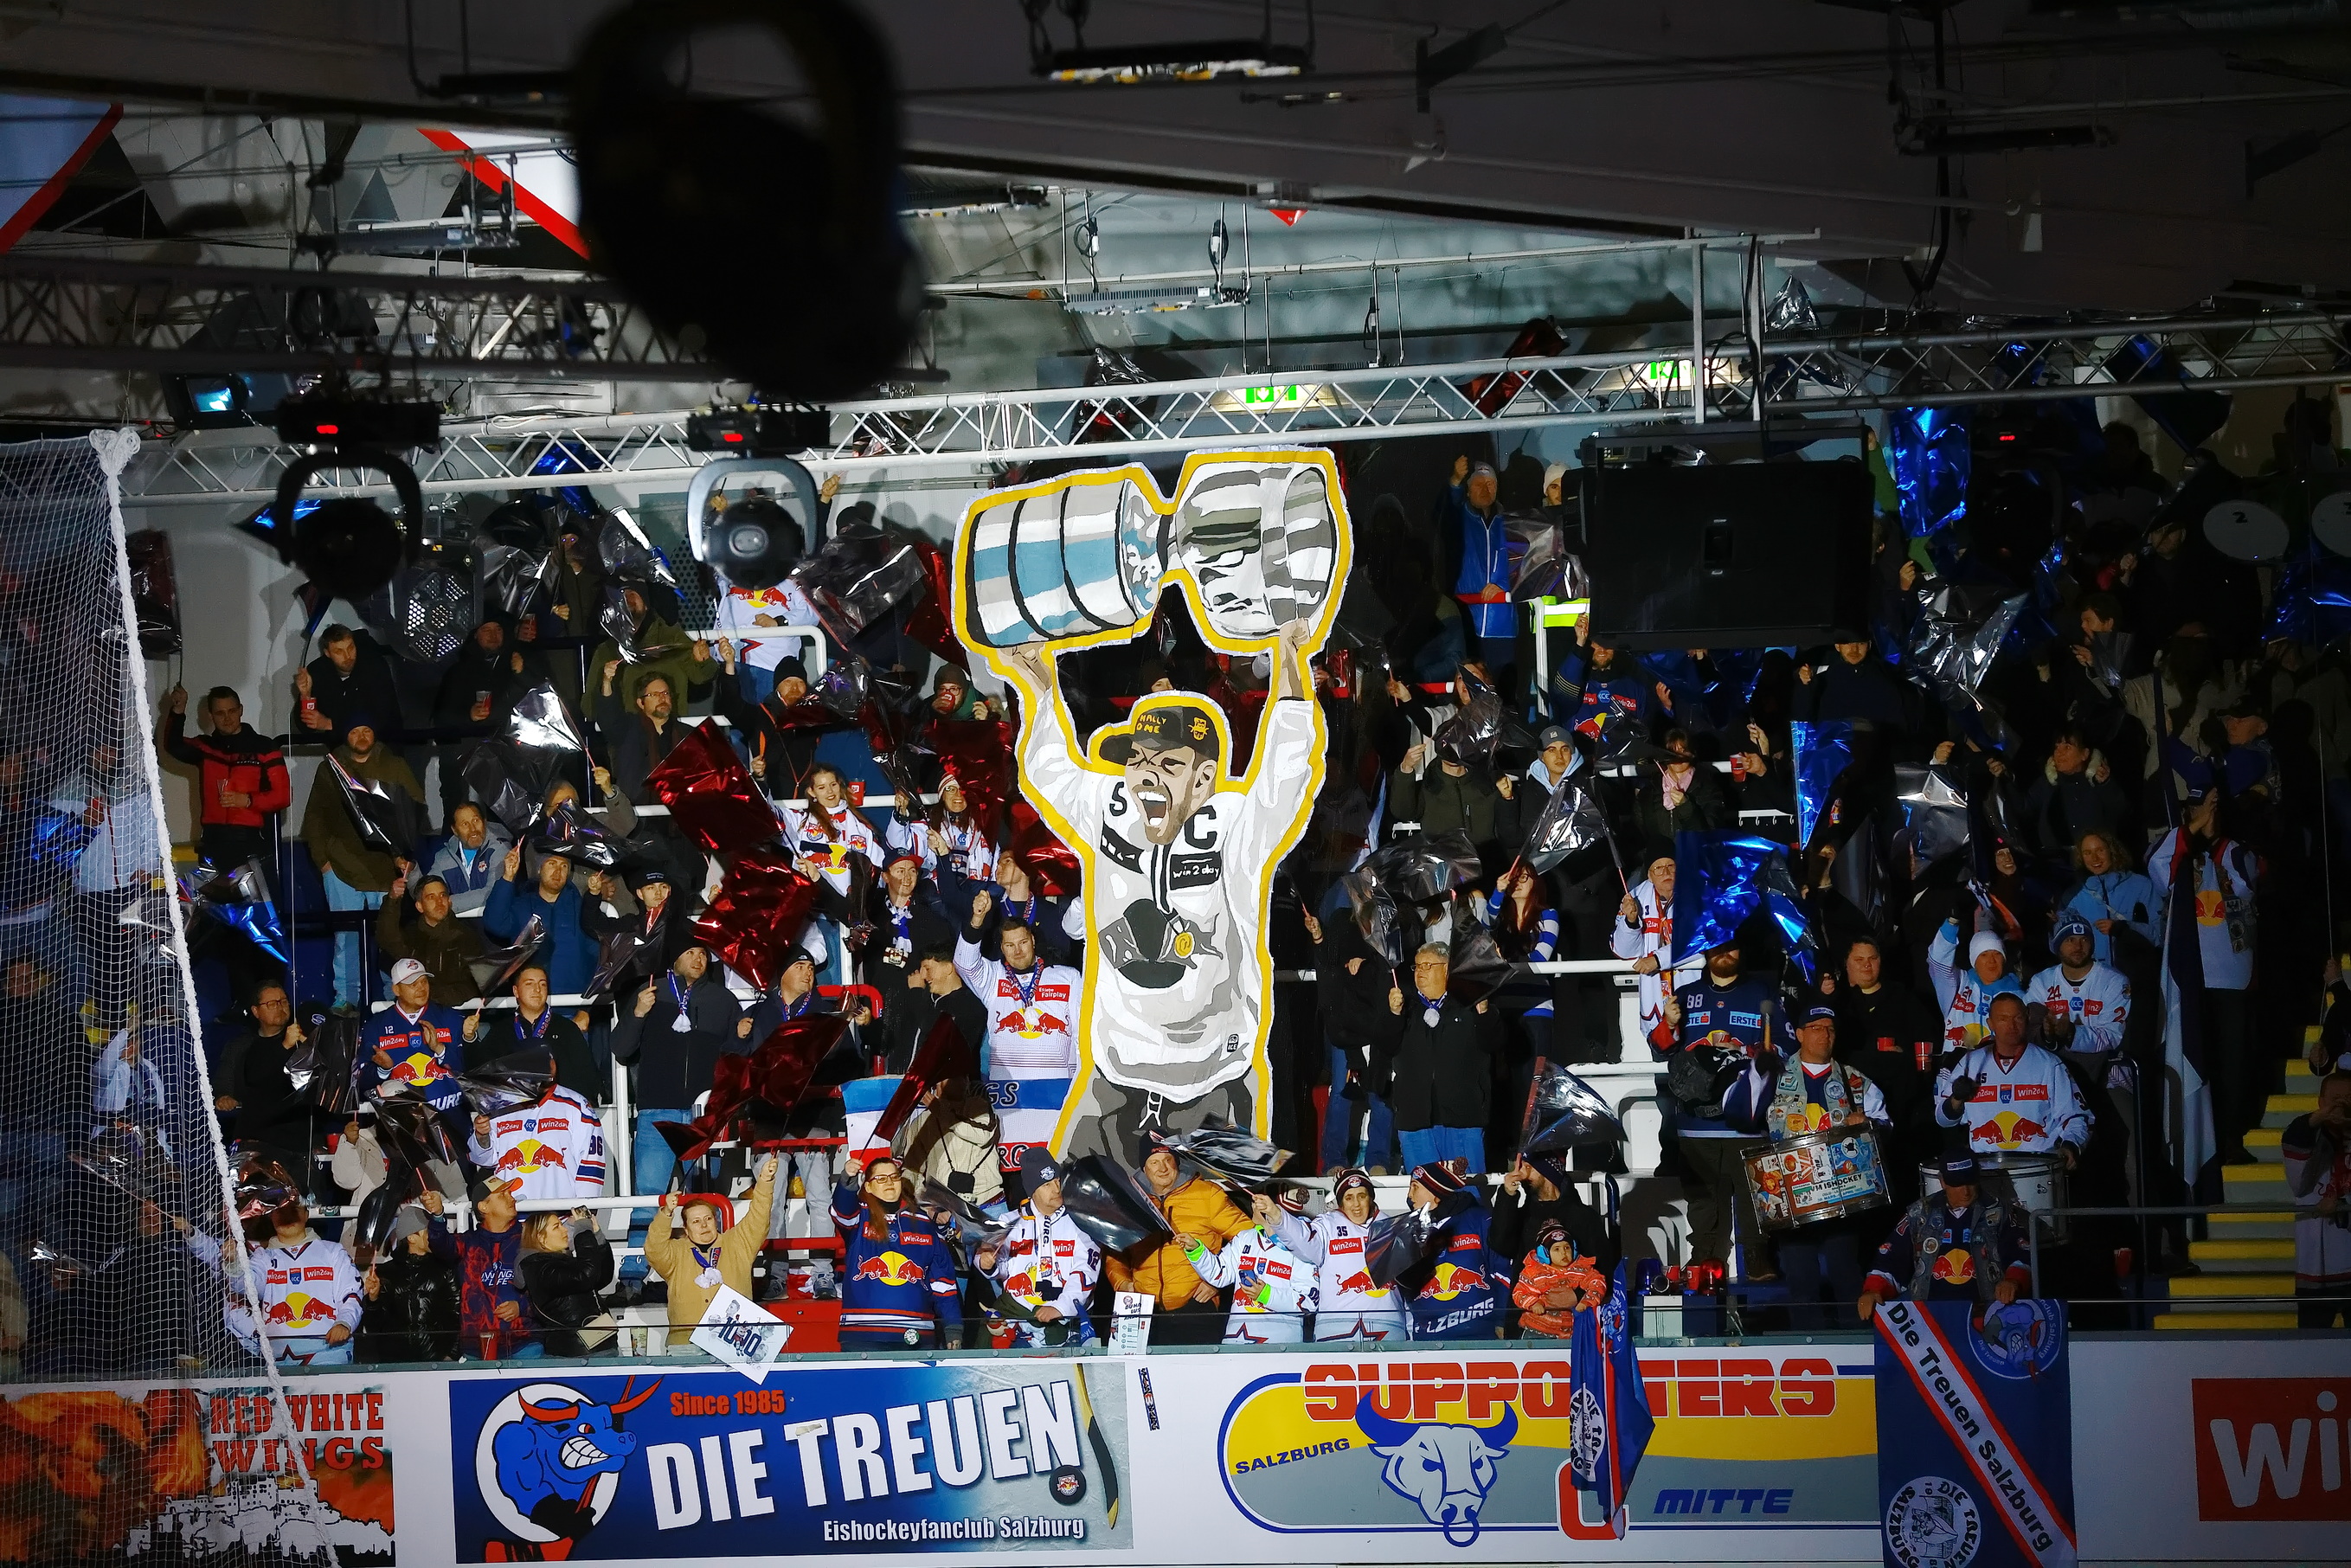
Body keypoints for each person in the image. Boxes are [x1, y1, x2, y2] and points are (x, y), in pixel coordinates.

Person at [999, 620, 1321, 1160]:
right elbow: (1050, 770)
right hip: (1116, 1079)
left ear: (1203, 779)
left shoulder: (1235, 824)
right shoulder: (1111, 809)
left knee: (1232, 1212)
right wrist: (1041, 686)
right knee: (1069, 1203)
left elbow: (1284, 776)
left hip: (1215, 1080)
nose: (1146, 776)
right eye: (1139, 760)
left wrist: (1290, 662)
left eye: (1168, 764)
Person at [1724, 1001, 1892, 1328]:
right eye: (1816, 1029)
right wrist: (1757, 1072)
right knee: (1800, 1278)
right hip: (1791, 1198)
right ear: (1799, 1034)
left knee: (1846, 1272)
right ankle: (1808, 1343)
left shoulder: (1855, 1081)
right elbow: (1736, 1112)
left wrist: (1868, 1124)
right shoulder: (1775, 1075)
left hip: (1843, 1195)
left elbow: (1886, 1124)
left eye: (1830, 1029)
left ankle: (1855, 1342)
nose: (1825, 1035)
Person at [613, 942, 746, 1295]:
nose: (698, 959)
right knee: (649, 1198)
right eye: (689, 952)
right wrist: (638, 1013)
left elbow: (736, 1058)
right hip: (657, 1112)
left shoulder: (723, 1000)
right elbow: (621, 1049)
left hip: (705, 1115)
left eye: (703, 953)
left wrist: (741, 1037)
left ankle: (712, 1276)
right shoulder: (650, 993)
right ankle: (632, 1277)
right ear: (674, 958)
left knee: (704, 1201)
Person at [2149, 787, 2264, 1160]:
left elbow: (2246, 883)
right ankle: (2195, 1140)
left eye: (2209, 808)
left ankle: (2230, 1137)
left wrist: (2213, 837)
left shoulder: (2238, 851)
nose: (2204, 814)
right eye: (2196, 808)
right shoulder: (2177, 851)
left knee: (2232, 1063)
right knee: (2194, 1060)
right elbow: (2157, 868)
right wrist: (2194, 828)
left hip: (2231, 979)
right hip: (2188, 978)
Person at [1654, 938, 1780, 1273]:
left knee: (1757, 1196)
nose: (1724, 953)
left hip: (1747, 1121)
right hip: (1695, 1123)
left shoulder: (1763, 992)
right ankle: (1704, 1261)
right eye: (1717, 947)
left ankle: (1756, 1257)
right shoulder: (1685, 995)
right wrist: (1669, 1024)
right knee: (1702, 1201)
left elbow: (1785, 1044)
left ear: (1742, 950)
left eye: (1732, 946)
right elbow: (1661, 1050)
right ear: (1706, 951)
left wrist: (1757, 1054)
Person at [299, 715, 421, 1007]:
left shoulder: (394, 765)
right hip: (340, 867)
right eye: (355, 731)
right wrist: (324, 863)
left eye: (367, 730)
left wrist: (404, 855)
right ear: (346, 736)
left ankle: (395, 999)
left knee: (391, 938)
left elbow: (415, 811)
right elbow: (315, 818)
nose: (362, 737)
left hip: (386, 868)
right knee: (346, 939)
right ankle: (347, 1001)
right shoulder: (331, 767)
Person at [1830, 938, 1943, 1215]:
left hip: (1903, 1113)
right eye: (1859, 960)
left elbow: (1927, 1049)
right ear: (1846, 965)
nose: (1867, 965)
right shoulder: (1838, 1004)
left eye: (1873, 958)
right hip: (1853, 1112)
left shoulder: (1904, 999)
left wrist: (1904, 1056)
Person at [1108, 1137, 1250, 1345]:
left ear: (1177, 1162)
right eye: (1154, 1162)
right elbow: (1113, 1248)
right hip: (1140, 1310)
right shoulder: (1129, 1199)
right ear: (1144, 1168)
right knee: (1139, 1367)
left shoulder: (1207, 1194)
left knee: (1198, 1366)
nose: (1162, 1168)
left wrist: (1217, 1279)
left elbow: (1249, 1241)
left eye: (1168, 1160)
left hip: (1196, 1307)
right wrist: (1122, 1283)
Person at [1858, 1154, 2031, 1315]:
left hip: (1986, 1313)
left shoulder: (1999, 1212)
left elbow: (2021, 1254)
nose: (1965, 1191)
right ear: (1943, 1182)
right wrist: (1873, 1290)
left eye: (1970, 1182)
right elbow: (1891, 1259)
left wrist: (2013, 1281)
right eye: (1957, 1184)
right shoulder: (1920, 1213)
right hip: (1930, 1317)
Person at [1934, 993, 2092, 1164]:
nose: (2011, 1026)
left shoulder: (2049, 1064)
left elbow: (2077, 1117)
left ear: (2027, 1019)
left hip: (2038, 1167)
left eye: (2017, 1018)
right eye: (2003, 1019)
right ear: (1990, 1024)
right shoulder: (1970, 1063)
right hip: (1985, 1167)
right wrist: (1957, 1099)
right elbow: (1942, 1120)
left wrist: (2070, 1146)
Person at [1301, 905, 1402, 1173]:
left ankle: (1379, 1160)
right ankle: (1334, 1160)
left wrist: (1366, 961)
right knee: (1340, 1094)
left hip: (1378, 1022)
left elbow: (1394, 958)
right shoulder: (1340, 917)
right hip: (1346, 1027)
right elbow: (1329, 962)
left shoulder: (1388, 915)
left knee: (1381, 1093)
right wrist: (1318, 936)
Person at [829, 1154, 964, 1347]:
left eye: (894, 1177)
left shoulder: (924, 1223)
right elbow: (842, 1211)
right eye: (881, 1178)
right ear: (868, 1186)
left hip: (917, 1334)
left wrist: (953, 1328)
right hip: (863, 1335)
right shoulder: (860, 1217)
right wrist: (847, 1179)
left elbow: (943, 1282)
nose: (889, 1182)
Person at [1382, 943, 1494, 1174]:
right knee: (1425, 1192)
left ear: (1446, 969)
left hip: (1463, 1119)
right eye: (1417, 966)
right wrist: (1393, 1015)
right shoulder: (1405, 1007)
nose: (1420, 971)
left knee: (1467, 1190)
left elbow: (1495, 1042)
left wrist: (1485, 1013)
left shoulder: (1470, 1004)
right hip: (1415, 1120)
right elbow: (1386, 1046)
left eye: (1428, 965)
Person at [645, 1154, 777, 1347]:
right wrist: (666, 1214)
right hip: (686, 1344)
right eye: (696, 1221)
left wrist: (764, 1181)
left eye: (708, 1219)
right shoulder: (676, 1252)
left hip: (733, 1347)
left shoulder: (737, 1243)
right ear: (686, 1228)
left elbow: (759, 1217)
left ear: (716, 1221)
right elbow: (653, 1248)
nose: (703, 1225)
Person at [972, 1147, 1100, 1347]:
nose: (1056, 1189)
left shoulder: (1080, 1221)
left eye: (1058, 1181)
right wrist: (987, 1263)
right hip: (1018, 1322)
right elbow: (998, 1264)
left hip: (1066, 1322)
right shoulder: (1009, 1221)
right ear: (1032, 1190)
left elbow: (1086, 1272)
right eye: (1047, 1184)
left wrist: (1060, 1307)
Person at [1270, 1167, 1410, 1341]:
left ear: (1371, 1198)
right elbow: (1304, 1241)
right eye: (1349, 1198)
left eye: (1362, 1196)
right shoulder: (1327, 1225)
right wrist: (1277, 1216)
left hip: (1388, 1329)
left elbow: (1409, 1285)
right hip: (1335, 1331)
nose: (1356, 1204)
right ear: (1341, 1202)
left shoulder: (1393, 1226)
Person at [159, 684, 290, 870]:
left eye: (232, 711)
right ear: (211, 716)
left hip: (253, 841)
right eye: (220, 713)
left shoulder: (265, 747)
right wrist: (178, 711)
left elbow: (284, 796)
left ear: (241, 710)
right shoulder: (206, 747)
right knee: (211, 890)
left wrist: (248, 800)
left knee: (255, 890)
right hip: (213, 840)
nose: (227, 718)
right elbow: (173, 746)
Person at [954, 896, 1080, 1081]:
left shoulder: (1068, 977)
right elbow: (963, 963)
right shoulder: (994, 977)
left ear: (1033, 940)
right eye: (1010, 945)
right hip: (1006, 1090)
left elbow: (1080, 1033)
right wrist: (977, 919)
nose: (1018, 951)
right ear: (1002, 948)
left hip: (1057, 1087)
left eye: (1023, 942)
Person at [1178, 1189, 1320, 1345]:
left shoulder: (1302, 1248)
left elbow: (1308, 1302)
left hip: (1278, 1346)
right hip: (1235, 1342)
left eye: (1257, 1202)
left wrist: (1266, 1295)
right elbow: (1219, 1274)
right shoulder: (1245, 1238)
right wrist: (1196, 1250)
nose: (1252, 1206)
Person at [1401, 1160, 1512, 1340]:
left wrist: (1502, 1320)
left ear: (1435, 1192)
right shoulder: (1408, 1230)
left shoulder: (1479, 1220)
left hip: (1481, 1338)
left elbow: (1502, 1273)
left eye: (1415, 1187)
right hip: (1428, 1342)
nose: (1409, 1195)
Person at [218, 983, 317, 1185]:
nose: (280, 1007)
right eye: (272, 1003)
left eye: (284, 1001)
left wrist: (309, 1046)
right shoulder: (242, 1046)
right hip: (258, 1142)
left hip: (298, 1143)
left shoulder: (303, 1041)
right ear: (256, 1011)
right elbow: (252, 1079)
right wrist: (223, 1096)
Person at [466, 1065, 607, 1203]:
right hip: (511, 1213)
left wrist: (583, 1209)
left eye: (549, 1059)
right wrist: (482, 1136)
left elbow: (591, 1162)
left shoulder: (576, 1104)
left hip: (560, 1215)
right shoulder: (499, 1105)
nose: (545, 1065)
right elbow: (483, 1159)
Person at [464, 965, 599, 1104]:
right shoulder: (502, 1030)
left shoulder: (567, 1028)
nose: (537, 989)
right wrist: (470, 1038)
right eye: (529, 984)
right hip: (515, 1111)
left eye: (543, 984)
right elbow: (481, 1073)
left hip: (557, 1111)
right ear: (516, 991)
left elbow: (586, 1078)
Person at [360, 959, 467, 1132]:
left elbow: (467, 1071)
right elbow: (362, 1083)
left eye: (424, 981)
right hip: (406, 1131)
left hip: (452, 1123)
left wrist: (440, 1049)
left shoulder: (450, 1017)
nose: (421, 988)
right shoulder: (376, 1027)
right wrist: (383, 1069)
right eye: (412, 984)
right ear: (396, 990)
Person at [254, 1201, 363, 1368]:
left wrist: (344, 1322)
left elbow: (351, 1295)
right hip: (278, 1364)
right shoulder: (262, 1257)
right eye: (280, 1212)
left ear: (306, 1214)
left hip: (330, 1357)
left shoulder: (333, 1252)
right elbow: (245, 1287)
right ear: (271, 1216)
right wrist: (232, 1263)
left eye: (293, 1210)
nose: (287, 1217)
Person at [2281, 1070, 2351, 1329]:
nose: (2342, 1104)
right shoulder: (2308, 1134)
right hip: (2316, 1268)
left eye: (2349, 1098)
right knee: (2311, 1344)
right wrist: (2324, 1117)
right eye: (2335, 1098)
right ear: (2321, 1102)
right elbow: (2295, 1137)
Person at [482, 845, 598, 999]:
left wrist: (587, 1008)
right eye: (552, 864)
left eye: (564, 866)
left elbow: (598, 957)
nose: (558, 872)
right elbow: (494, 924)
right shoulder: (522, 905)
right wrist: (508, 878)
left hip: (574, 1003)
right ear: (539, 869)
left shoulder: (582, 908)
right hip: (532, 1003)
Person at [357, 1192, 459, 1364]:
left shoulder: (444, 1269)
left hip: (437, 1361)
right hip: (396, 1363)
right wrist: (373, 1300)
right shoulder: (385, 1273)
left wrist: (451, 1356)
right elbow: (375, 1326)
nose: (434, 1235)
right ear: (411, 1237)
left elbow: (456, 1314)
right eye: (428, 1231)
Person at [1443, 456, 1519, 684]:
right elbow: (1445, 511)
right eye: (1478, 484)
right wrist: (1455, 481)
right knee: (1470, 689)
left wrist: (1503, 585)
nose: (1485, 489)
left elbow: (1522, 561)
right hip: (1468, 623)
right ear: (1467, 491)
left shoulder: (1511, 522)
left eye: (1490, 484)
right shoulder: (1459, 520)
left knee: (1503, 689)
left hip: (1502, 626)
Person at [452, 1176, 539, 1359]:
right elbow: (439, 1244)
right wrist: (437, 1217)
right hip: (476, 1347)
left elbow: (549, 1289)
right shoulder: (467, 1242)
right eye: (503, 1195)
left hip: (524, 1344)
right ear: (484, 1207)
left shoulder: (530, 1239)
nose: (512, 1198)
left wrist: (522, 1306)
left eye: (510, 1193)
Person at [374, 868, 485, 1008]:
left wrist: (431, 997)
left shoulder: (467, 937)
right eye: (431, 897)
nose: (439, 902)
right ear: (419, 906)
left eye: (442, 895)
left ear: (449, 901)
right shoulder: (410, 936)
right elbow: (386, 937)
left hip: (456, 1013)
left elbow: (473, 985)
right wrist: (392, 900)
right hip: (415, 1012)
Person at [1611, 851, 1690, 1047]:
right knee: (1662, 1057)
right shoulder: (1635, 896)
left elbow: (1701, 941)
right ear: (1649, 875)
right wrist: (1631, 922)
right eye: (1658, 868)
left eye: (1671, 866)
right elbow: (1624, 951)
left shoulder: (1697, 895)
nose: (1666, 873)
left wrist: (1658, 959)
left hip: (1692, 994)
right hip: (1655, 999)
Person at [1491, 1154, 1617, 1276]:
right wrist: (1507, 1196)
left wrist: (1574, 1291)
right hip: (1527, 1290)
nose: (1522, 1174)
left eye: (1528, 1167)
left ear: (1548, 1173)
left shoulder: (1584, 1217)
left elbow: (1602, 1268)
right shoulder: (1523, 1216)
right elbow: (1500, 1246)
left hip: (1577, 1290)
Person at [876, 941, 986, 1078]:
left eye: (928, 969)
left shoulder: (970, 1004)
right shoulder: (924, 999)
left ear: (948, 968)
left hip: (948, 1085)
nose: (923, 976)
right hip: (905, 1083)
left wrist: (916, 993)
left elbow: (940, 1031)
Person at [518, 1207, 617, 1358]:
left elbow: (602, 1277)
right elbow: (586, 1276)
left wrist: (597, 1236)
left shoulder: (562, 1261)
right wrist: (582, 1230)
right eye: (556, 1227)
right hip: (575, 1354)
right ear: (541, 1238)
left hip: (597, 1347)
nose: (565, 1230)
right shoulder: (540, 1269)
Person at [895, 1076, 1004, 1211]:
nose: (961, 1079)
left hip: (987, 1204)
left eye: (962, 1075)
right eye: (951, 1076)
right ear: (937, 1083)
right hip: (943, 1208)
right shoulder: (922, 1121)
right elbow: (912, 1170)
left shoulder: (980, 1107)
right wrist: (927, 1207)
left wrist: (939, 1110)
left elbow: (982, 1136)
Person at [2057, 829, 2160, 968]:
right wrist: (2053, 926)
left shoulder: (2142, 885)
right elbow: (2059, 947)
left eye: (2100, 850)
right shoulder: (2073, 895)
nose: (2095, 858)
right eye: (2087, 853)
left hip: (2137, 972)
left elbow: (2161, 935)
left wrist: (2124, 928)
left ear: (2112, 850)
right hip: (2096, 976)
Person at [291, 625, 403, 745]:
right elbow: (305, 729)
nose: (348, 656)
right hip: (341, 750)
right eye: (339, 651)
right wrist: (306, 696)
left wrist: (330, 724)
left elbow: (382, 718)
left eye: (350, 648)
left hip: (382, 746)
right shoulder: (317, 671)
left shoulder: (374, 666)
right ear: (327, 653)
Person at [1928, 921, 2027, 1054]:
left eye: (1997, 954)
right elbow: (1938, 962)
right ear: (1974, 960)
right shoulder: (1959, 983)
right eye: (1984, 955)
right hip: (1955, 1065)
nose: (1992, 961)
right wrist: (1951, 924)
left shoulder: (2020, 997)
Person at [864, 851, 951, 990]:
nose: (907, 877)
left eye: (912, 871)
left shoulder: (930, 919)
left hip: (917, 992)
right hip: (877, 994)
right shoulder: (870, 914)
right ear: (885, 877)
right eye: (900, 871)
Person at [1510, 1218, 1608, 1339]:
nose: (1563, 1253)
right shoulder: (1533, 1272)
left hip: (1573, 1332)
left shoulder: (1581, 1269)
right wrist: (1534, 1303)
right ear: (1544, 1253)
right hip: (1537, 1331)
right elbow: (1519, 1292)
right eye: (1557, 1249)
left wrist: (1586, 1301)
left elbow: (1598, 1283)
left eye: (1567, 1248)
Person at [427, 801, 511, 916]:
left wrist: (445, 904)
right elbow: (427, 894)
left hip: (492, 922)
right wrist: (413, 872)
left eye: (476, 821)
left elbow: (493, 893)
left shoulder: (500, 848)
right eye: (465, 824)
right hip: (455, 924)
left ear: (484, 822)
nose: (473, 829)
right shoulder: (443, 857)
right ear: (455, 830)